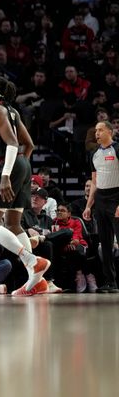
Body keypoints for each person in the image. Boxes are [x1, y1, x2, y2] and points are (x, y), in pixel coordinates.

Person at [0, 76, 50, 296]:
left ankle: (31, 261)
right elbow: (28, 144)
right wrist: (23, 168)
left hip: (8, 165)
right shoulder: (12, 110)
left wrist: (6, 175)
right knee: (13, 224)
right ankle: (37, 281)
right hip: (22, 163)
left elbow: (12, 143)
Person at [82, 121, 119, 293]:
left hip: (116, 198)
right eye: (95, 130)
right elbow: (95, 183)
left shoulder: (117, 149)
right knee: (105, 243)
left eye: (100, 130)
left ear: (110, 132)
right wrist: (89, 206)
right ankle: (111, 282)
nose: (96, 133)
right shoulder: (94, 154)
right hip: (101, 200)